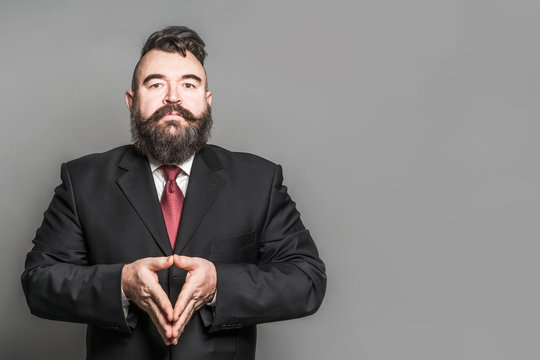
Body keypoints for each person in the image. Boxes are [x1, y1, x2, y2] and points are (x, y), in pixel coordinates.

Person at [21, 26, 326, 360]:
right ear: (131, 101)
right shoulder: (82, 180)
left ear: (207, 100)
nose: (173, 97)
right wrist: (120, 284)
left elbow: (306, 279)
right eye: (156, 84)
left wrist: (219, 284)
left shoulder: (259, 180)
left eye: (189, 84)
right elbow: (38, 282)